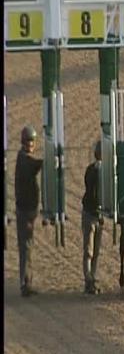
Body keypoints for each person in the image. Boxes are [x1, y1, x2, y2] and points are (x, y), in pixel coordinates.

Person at [14, 125, 44, 297]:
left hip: (26, 211)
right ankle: (25, 284)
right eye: (30, 141)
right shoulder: (24, 159)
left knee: (27, 247)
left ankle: (27, 282)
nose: (32, 144)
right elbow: (34, 166)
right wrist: (48, 160)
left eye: (33, 141)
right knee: (26, 247)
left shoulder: (23, 157)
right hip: (25, 212)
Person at [82, 141, 103, 294]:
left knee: (95, 251)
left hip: (98, 215)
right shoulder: (92, 170)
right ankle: (88, 280)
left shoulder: (102, 171)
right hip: (90, 214)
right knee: (88, 251)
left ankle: (92, 279)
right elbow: (91, 189)